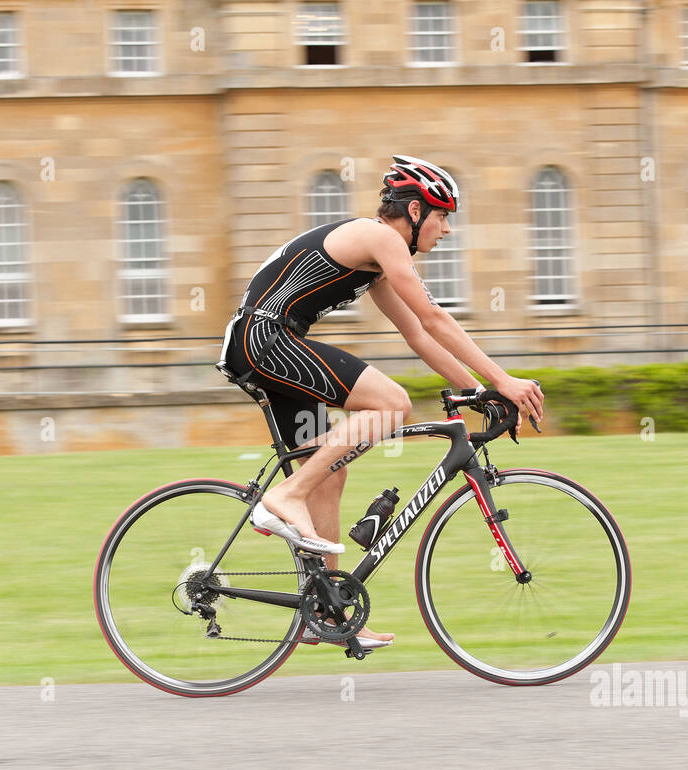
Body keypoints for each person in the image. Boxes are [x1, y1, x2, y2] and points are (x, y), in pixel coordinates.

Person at [219, 155, 545, 648]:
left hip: (265, 345)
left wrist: (478, 391)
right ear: (415, 211)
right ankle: (284, 497)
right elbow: (435, 318)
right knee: (392, 403)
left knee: (330, 472)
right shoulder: (382, 238)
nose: (447, 230)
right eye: (443, 217)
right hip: (265, 340)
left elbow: (416, 333)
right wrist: (505, 379)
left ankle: (325, 611)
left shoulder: (376, 258)